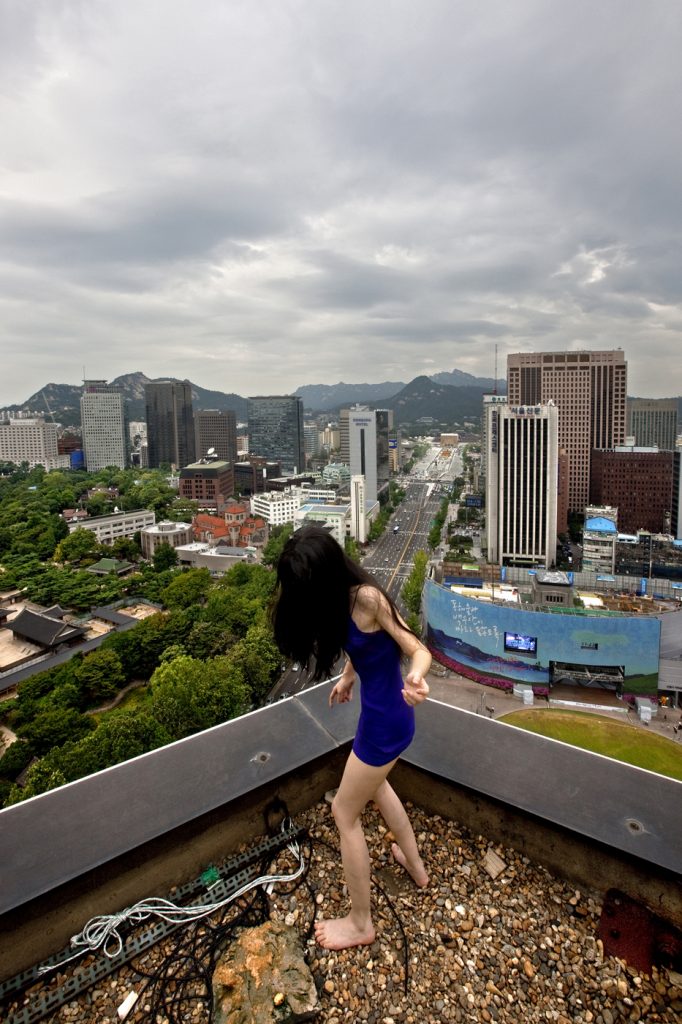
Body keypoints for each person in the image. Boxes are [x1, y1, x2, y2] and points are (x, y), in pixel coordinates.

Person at [272, 525, 431, 950]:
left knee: (344, 813)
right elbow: (363, 649)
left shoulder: (367, 599)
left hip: (387, 724)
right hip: (379, 720)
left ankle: (361, 922)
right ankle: (416, 869)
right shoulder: (335, 601)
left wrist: (416, 676)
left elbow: (416, 647)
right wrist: (347, 677)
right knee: (377, 789)